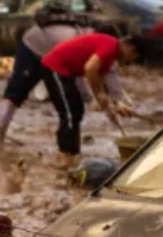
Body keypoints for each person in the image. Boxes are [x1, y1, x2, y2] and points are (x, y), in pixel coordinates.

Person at [0, 0, 90, 152]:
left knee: (68, 105)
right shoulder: (81, 42)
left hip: (55, 59)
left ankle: (65, 149)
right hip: (32, 49)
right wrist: (89, 97)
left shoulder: (88, 40)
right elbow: (78, 75)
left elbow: (78, 75)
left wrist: (88, 97)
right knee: (15, 94)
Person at [39, 27, 140, 160]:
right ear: (130, 48)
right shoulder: (110, 45)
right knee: (70, 113)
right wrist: (98, 94)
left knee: (77, 110)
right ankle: (66, 154)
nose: (129, 60)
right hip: (55, 66)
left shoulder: (111, 55)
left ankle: (73, 153)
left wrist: (112, 109)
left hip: (66, 72)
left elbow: (103, 80)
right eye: (132, 56)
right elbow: (90, 68)